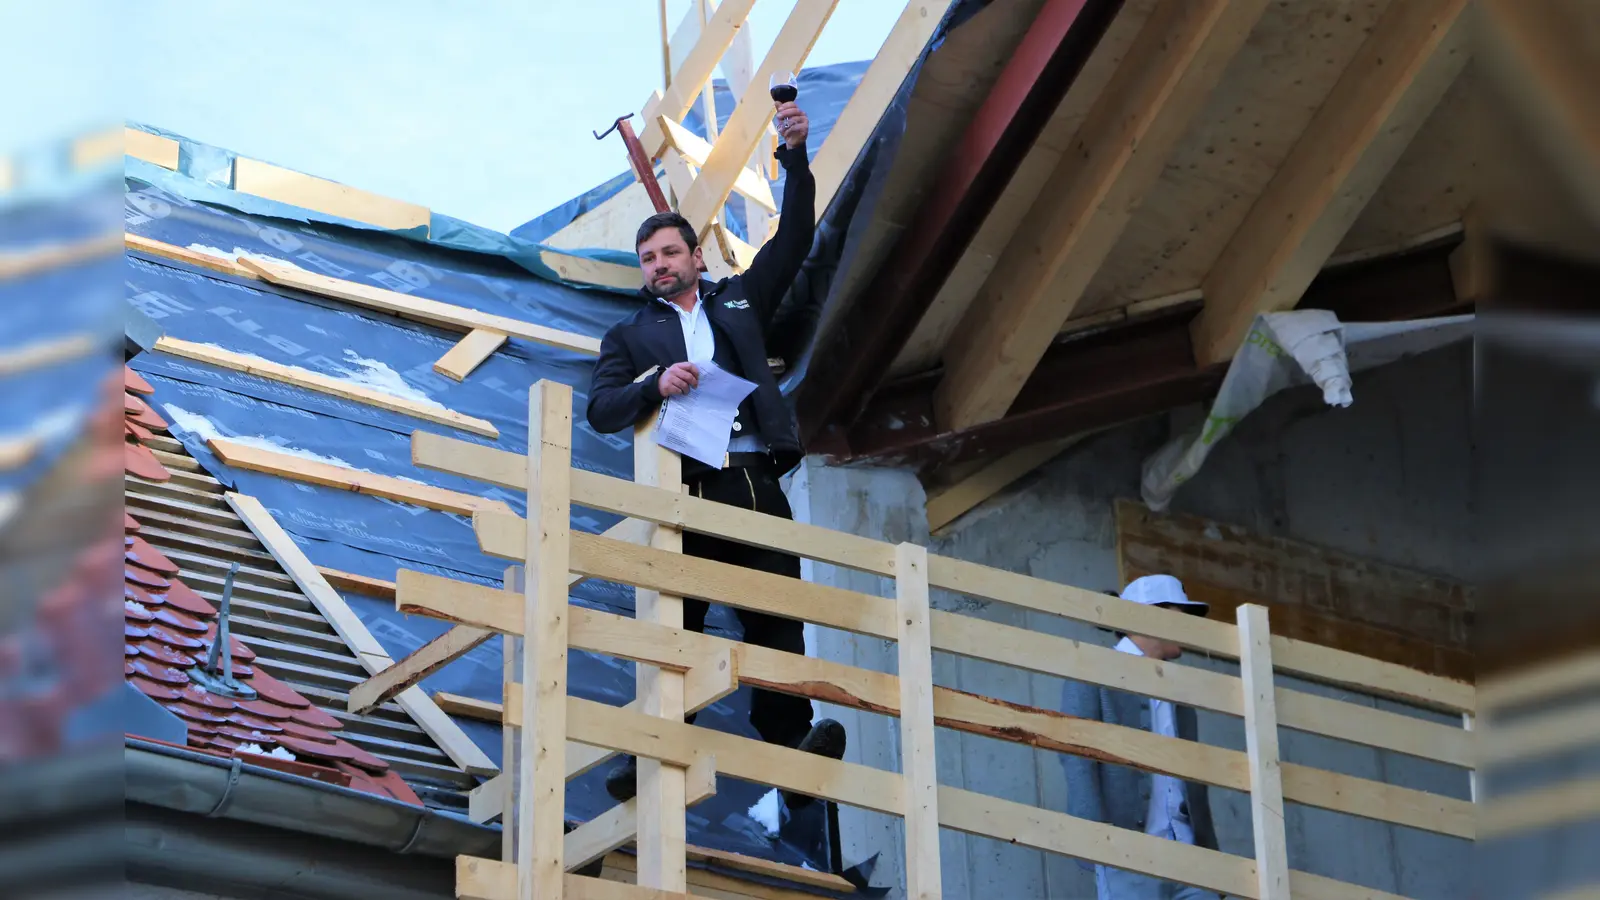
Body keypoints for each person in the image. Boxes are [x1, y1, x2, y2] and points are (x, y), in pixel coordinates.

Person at [586, 97, 843, 808]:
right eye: (648, 259)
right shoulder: (628, 336)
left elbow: (795, 236)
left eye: (670, 253)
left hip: (753, 475)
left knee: (775, 614)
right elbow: (601, 410)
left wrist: (794, 157)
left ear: (696, 257)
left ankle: (792, 754)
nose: (659, 265)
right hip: (686, 487)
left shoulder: (738, 302)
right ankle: (652, 752)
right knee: (679, 622)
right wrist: (652, 383)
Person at [1060, 575, 1222, 900]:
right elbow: (1076, 759)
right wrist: (1095, 843)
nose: (1190, 626)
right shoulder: (1092, 670)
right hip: (1128, 855)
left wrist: (1211, 853)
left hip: (1192, 856)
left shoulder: (1180, 689)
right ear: (1150, 616)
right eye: (1182, 614)